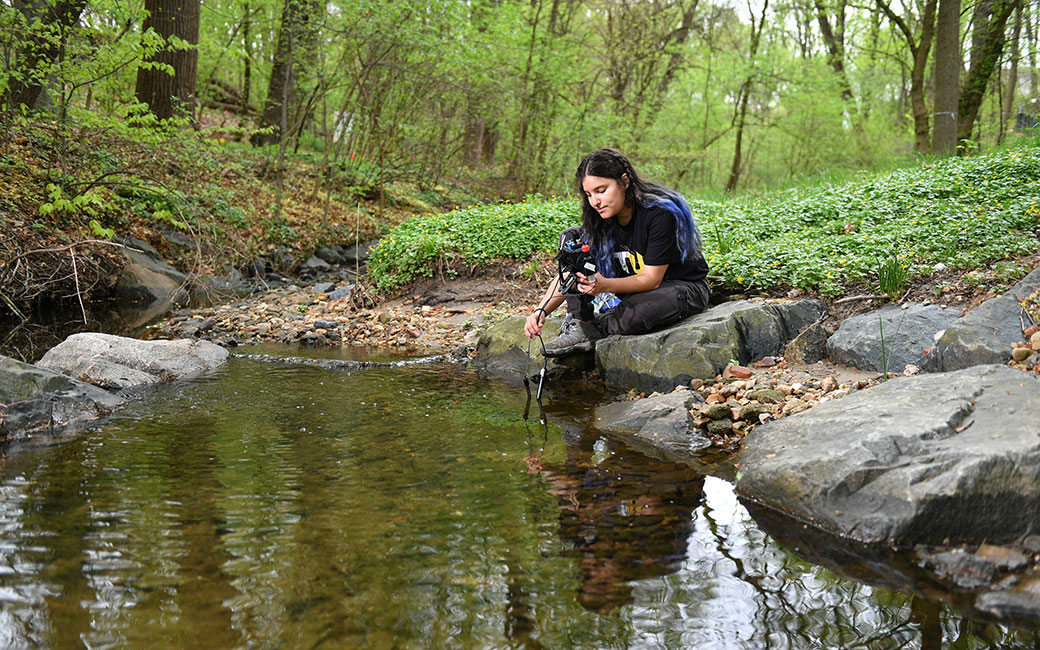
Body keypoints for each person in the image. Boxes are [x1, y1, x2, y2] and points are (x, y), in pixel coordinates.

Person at [524, 148, 710, 357]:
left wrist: (605, 285)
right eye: (589, 195)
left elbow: (652, 280)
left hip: (680, 287)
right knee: (573, 240)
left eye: (601, 191)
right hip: (632, 292)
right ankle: (581, 323)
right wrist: (541, 310)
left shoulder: (660, 214)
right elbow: (569, 275)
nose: (595, 202)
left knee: (636, 313)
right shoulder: (601, 220)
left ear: (624, 181)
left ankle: (593, 330)